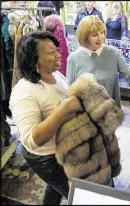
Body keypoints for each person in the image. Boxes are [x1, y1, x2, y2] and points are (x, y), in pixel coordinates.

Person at [9, 31, 81, 205]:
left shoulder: (56, 76)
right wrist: (63, 109)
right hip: (46, 158)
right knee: (78, 194)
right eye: (51, 52)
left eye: (57, 50)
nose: (58, 55)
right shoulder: (24, 92)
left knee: (55, 187)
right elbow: (32, 140)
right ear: (34, 59)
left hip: (64, 149)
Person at [67, 15, 130, 107]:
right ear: (85, 37)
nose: (101, 37)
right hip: (85, 116)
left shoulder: (113, 53)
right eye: (95, 35)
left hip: (111, 115)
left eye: (102, 32)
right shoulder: (73, 58)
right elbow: (69, 92)